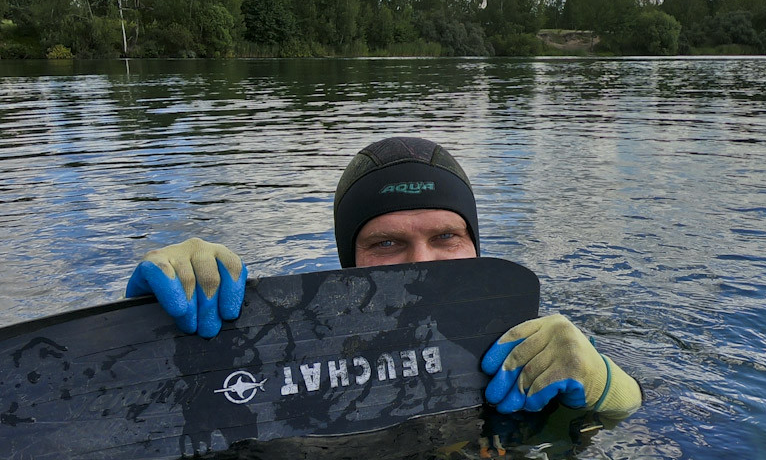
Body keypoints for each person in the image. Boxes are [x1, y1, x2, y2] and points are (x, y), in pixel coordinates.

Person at [126, 136, 642, 417]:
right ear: (347, 265)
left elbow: (665, 426)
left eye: (446, 237)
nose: (423, 263)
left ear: (476, 247)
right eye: (387, 244)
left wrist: (607, 388)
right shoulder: (294, 347)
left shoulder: (533, 340)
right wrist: (156, 329)